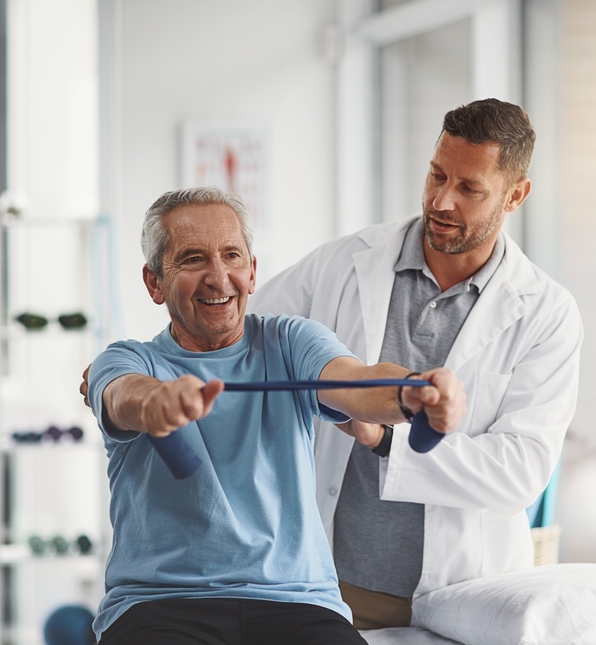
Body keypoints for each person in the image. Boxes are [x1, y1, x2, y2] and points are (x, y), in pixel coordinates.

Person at [248, 98, 583, 629]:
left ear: (515, 194)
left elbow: (520, 472)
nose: (442, 200)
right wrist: (140, 368)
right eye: (436, 175)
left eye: (469, 188)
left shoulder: (546, 313)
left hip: (461, 593)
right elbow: (241, 333)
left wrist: (385, 440)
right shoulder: (348, 261)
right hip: (329, 582)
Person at [84, 187, 466, 644]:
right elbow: (124, 395)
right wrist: (157, 404)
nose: (218, 276)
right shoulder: (127, 359)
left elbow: (356, 381)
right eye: (192, 259)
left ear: (252, 272)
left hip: (297, 602)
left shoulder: (289, 341)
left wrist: (415, 392)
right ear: (154, 283)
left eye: (232, 256)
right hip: (162, 605)